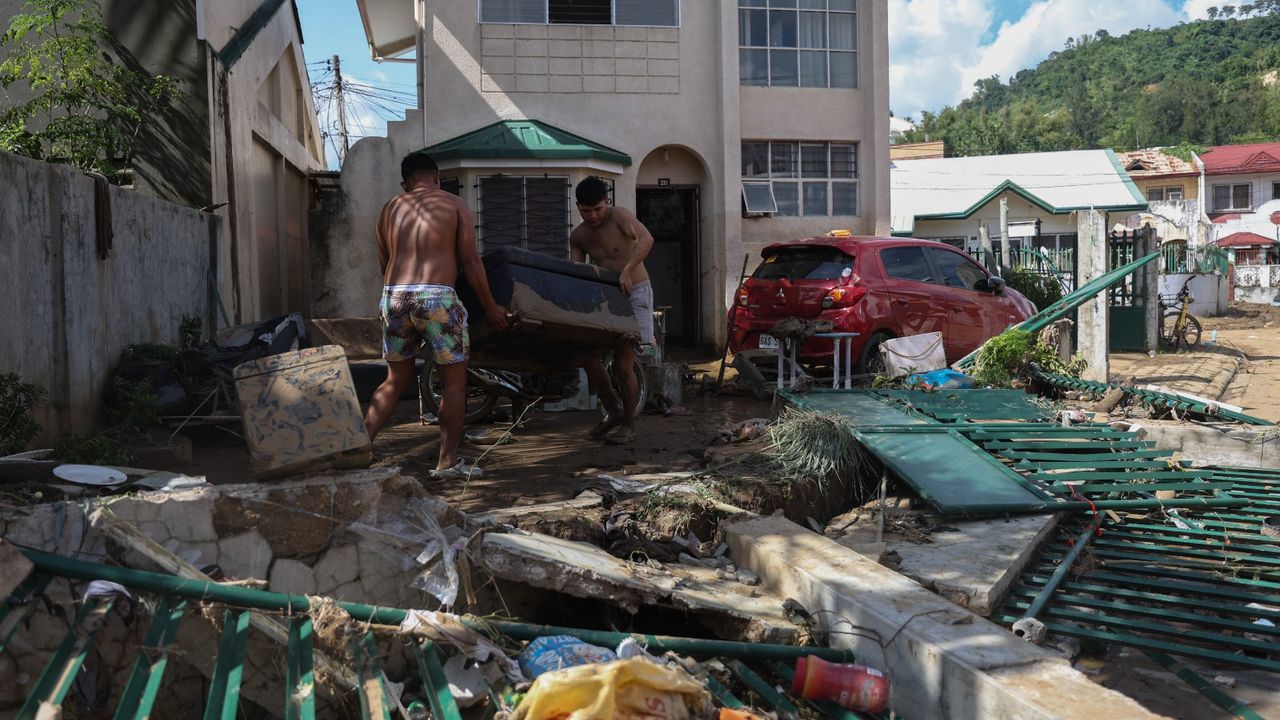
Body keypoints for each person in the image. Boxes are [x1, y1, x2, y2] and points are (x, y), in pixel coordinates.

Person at [364, 152, 509, 479]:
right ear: (437, 178)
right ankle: (447, 462)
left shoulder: (388, 209)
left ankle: (359, 447)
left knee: (394, 379)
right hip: (436, 297)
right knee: (453, 384)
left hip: (394, 296)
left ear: (405, 183)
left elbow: (384, 263)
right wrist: (491, 308)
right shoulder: (455, 204)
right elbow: (470, 261)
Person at [569, 177, 655, 445]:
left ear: (607, 202)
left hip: (635, 291)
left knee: (623, 363)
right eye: (586, 211)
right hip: (606, 297)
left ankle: (629, 423)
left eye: (598, 209)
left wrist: (627, 270)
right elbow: (577, 273)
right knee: (587, 358)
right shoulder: (579, 236)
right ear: (578, 207)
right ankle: (614, 410)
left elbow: (646, 239)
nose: (593, 216)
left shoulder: (619, 216)